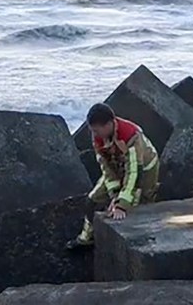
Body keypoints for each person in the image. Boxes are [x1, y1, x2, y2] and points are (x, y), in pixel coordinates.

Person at [66, 102, 159, 250]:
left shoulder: (131, 135)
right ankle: (86, 238)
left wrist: (122, 205)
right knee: (92, 200)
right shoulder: (98, 137)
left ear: (109, 124)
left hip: (144, 168)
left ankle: (142, 248)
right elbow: (106, 168)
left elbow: (134, 173)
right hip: (118, 167)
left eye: (96, 130)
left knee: (136, 206)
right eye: (92, 130)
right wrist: (115, 195)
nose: (94, 134)